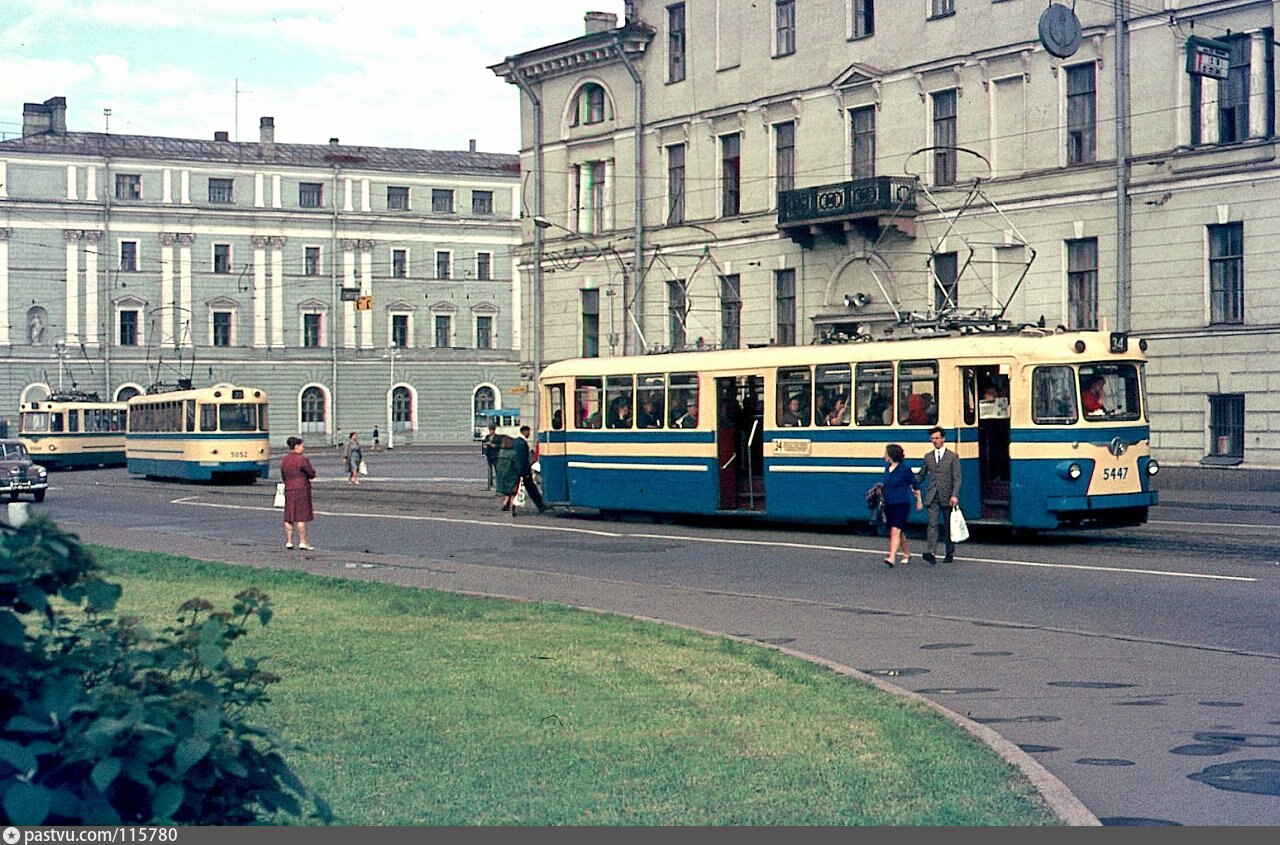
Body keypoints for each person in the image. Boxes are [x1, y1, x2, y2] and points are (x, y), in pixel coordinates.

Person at [919, 426, 962, 565]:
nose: (934, 441)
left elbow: (957, 477)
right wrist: (910, 481)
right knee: (932, 524)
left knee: (948, 526)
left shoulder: (952, 456)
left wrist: (954, 495)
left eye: (937, 438)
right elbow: (922, 474)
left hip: (947, 495)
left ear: (943, 439)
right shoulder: (927, 457)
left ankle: (949, 552)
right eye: (932, 439)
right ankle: (931, 552)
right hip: (932, 495)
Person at [880, 443, 922, 567]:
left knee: (895, 530)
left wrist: (919, 501)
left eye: (886, 453)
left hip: (902, 503)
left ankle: (892, 557)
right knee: (898, 530)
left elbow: (915, 485)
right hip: (889, 503)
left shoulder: (904, 469)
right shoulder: (887, 468)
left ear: (892, 455)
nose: (884, 456)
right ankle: (906, 553)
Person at [280, 436, 316, 551]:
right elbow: (311, 473)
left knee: (289, 516)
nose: (303, 448)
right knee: (300, 516)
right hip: (302, 489)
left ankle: (289, 541)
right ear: (296, 447)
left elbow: (283, 475)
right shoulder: (302, 460)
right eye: (302, 446)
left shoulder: (284, 460)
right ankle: (303, 542)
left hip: (289, 489)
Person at [512, 425, 548, 513]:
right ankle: (540, 505)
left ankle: (540, 505)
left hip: (518, 470)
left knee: (528, 488)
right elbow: (523, 459)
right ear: (524, 432)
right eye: (528, 432)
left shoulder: (516, 441)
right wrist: (526, 472)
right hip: (523, 471)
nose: (529, 434)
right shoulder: (522, 443)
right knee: (528, 488)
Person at [494, 435, 520, 512]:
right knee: (513, 493)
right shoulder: (514, 453)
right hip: (512, 474)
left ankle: (505, 504)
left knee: (506, 493)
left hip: (502, 475)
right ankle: (512, 507)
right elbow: (517, 465)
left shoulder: (501, 453)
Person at [480, 423, 502, 489]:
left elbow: (500, 445)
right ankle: (490, 484)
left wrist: (494, 445)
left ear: (494, 430)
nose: (490, 431)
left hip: (496, 456)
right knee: (489, 471)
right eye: (489, 430)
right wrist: (484, 446)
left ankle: (498, 484)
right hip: (489, 455)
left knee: (497, 470)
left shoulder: (498, 437)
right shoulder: (487, 437)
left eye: (491, 430)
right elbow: (483, 444)